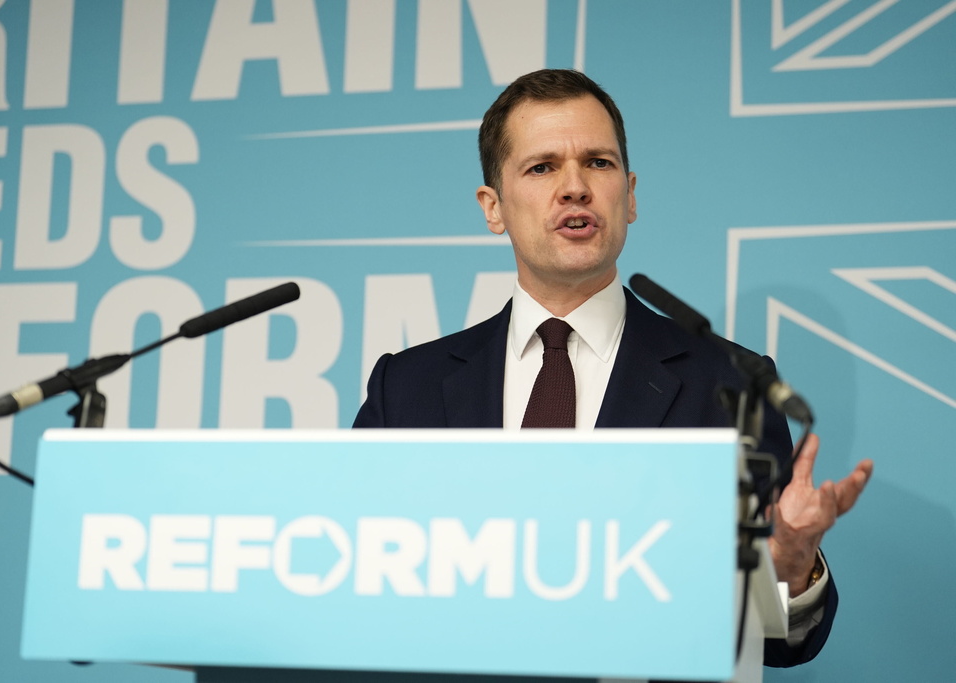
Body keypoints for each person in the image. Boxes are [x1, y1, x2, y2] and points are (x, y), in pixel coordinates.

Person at [353, 69, 873, 668]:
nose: (575, 187)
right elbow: (357, 588)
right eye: (542, 167)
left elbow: (777, 644)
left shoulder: (728, 384)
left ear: (629, 194)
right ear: (492, 206)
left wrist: (788, 559)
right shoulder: (406, 388)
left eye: (597, 163)